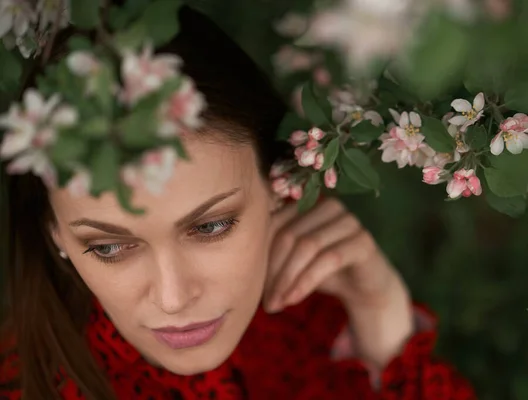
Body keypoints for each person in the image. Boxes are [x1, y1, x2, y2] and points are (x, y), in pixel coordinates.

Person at [0, 6, 476, 400]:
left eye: (210, 227)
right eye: (108, 246)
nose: (173, 298)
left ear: (279, 182)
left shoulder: (319, 322)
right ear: (54, 232)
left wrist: (380, 315)